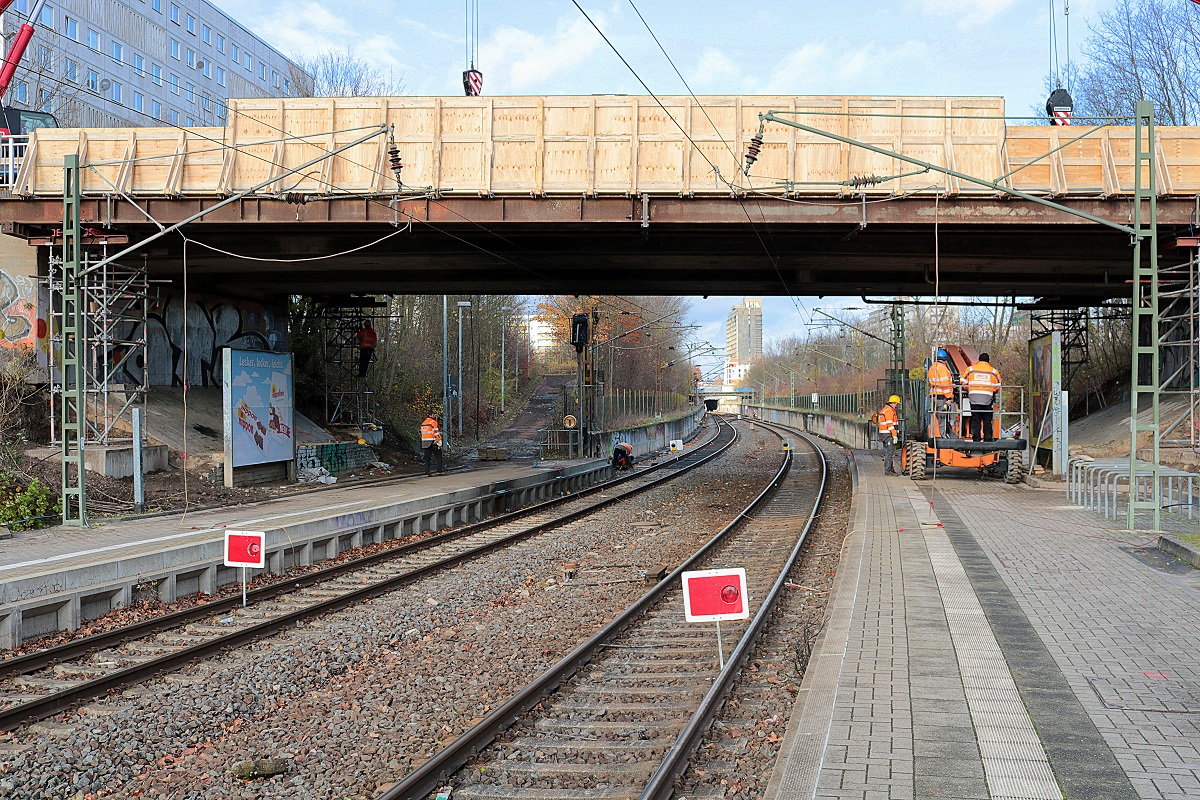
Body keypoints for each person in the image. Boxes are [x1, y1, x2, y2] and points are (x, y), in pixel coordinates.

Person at [965, 352, 1001, 442]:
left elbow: (963, 382)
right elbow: (998, 385)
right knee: (987, 420)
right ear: (988, 361)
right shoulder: (993, 371)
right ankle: (987, 439)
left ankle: (976, 439)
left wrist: (969, 389)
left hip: (974, 399)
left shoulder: (971, 369)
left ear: (979, 360)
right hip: (987, 400)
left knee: (976, 419)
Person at [927, 348, 957, 439]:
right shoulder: (943, 369)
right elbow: (945, 384)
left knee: (940, 417)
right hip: (941, 397)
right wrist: (948, 398)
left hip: (933, 396)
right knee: (943, 417)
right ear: (945, 360)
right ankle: (944, 436)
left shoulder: (932, 368)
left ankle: (951, 435)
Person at [877, 395, 901, 475]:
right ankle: (888, 470)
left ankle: (891, 469)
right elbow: (890, 424)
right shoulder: (889, 411)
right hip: (888, 434)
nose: (897, 405)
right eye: (896, 403)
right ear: (893, 403)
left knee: (890, 452)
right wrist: (894, 435)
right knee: (890, 453)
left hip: (885, 434)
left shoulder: (886, 410)